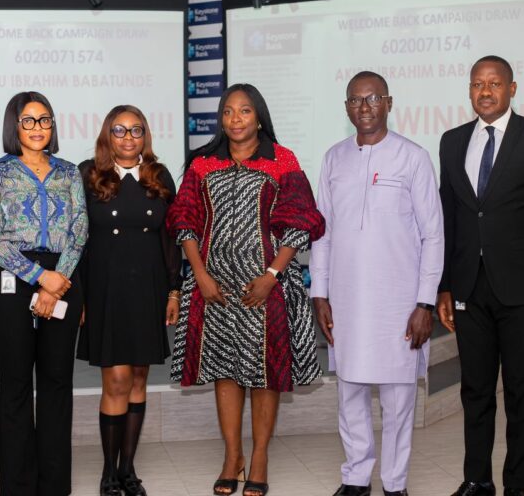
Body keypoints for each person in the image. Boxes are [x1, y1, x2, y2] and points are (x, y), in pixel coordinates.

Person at [167, 84, 324, 496]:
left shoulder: (281, 159)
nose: (236, 119)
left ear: (259, 116)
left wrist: (272, 274)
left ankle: (259, 457)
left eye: (245, 111)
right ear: (221, 118)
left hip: (265, 285)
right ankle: (231, 456)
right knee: (224, 370)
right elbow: (184, 220)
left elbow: (300, 221)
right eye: (229, 112)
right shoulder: (203, 163)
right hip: (214, 286)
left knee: (264, 373)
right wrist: (200, 275)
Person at [309, 71, 444, 496]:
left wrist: (424, 303)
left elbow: (433, 235)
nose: (363, 108)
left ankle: (395, 482)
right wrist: (320, 292)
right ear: (346, 108)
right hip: (346, 300)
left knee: (398, 399)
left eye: (372, 99)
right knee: (349, 391)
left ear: (389, 103)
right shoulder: (333, 158)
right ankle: (355, 477)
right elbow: (322, 233)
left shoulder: (413, 157)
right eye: (355, 101)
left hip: (399, 302)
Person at [0, 91, 87, 496]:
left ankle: (55, 487)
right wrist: (40, 277)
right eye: (29, 120)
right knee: (16, 385)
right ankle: (19, 488)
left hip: (65, 278)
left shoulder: (69, 172)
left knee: (58, 384)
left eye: (45, 120)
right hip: (12, 278)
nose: (38, 128)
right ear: (14, 126)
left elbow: (79, 230)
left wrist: (57, 280)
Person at [76, 105, 181, 496]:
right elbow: (77, 240)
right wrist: (81, 296)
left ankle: (128, 471)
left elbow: (170, 239)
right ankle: (107, 473)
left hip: (148, 288)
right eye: (119, 130)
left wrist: (174, 290)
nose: (128, 137)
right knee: (116, 378)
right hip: (105, 289)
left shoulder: (159, 175)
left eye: (136, 130)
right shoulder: (88, 174)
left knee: (138, 377)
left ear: (145, 136)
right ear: (107, 134)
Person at [437, 56, 523, 496]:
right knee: (476, 391)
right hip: (469, 286)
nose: (484, 91)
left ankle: (519, 483)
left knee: (522, 394)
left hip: (520, 289)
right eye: (476, 84)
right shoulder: (452, 142)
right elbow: (448, 219)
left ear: (511, 88)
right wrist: (445, 285)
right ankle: (478, 480)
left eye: (493, 83)